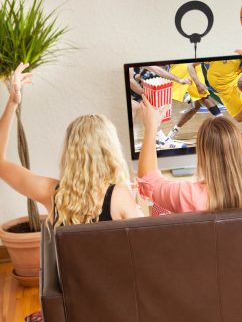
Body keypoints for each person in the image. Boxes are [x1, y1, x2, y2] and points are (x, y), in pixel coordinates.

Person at [136, 39, 242, 212]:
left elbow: (148, 179)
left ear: (202, 156)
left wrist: (151, 129)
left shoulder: (186, 196)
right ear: (241, 149)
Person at [0, 63, 142, 225]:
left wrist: (12, 103)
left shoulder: (51, 193)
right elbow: (144, 245)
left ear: (70, 151)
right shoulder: (120, 196)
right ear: (110, 151)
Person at [206, 59, 242, 132]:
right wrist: (197, 82)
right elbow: (192, 65)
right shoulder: (212, 52)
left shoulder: (238, 51)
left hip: (237, 81)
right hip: (221, 88)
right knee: (239, 118)